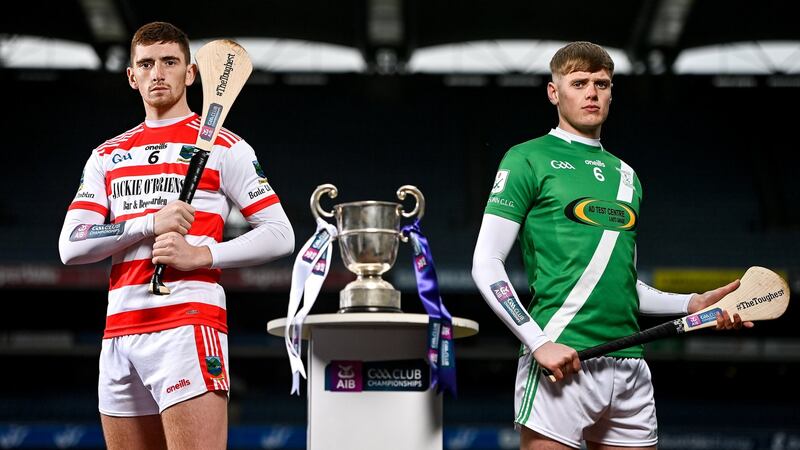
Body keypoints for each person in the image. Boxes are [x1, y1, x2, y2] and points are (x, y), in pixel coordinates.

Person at [471, 41, 751, 450]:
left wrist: (691, 304)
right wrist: (539, 342)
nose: (591, 92)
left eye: (601, 83)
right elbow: (486, 263)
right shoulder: (527, 158)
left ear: (611, 91)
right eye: (579, 82)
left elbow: (625, 284)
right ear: (554, 92)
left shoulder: (627, 176)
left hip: (631, 364)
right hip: (562, 357)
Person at [58, 22, 294, 450]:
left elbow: (280, 234)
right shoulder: (108, 154)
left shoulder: (227, 147)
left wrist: (202, 255)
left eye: (170, 62)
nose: (157, 73)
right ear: (132, 76)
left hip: (186, 326)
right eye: (146, 64)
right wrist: (147, 224)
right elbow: (72, 244)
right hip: (119, 331)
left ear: (190, 73)